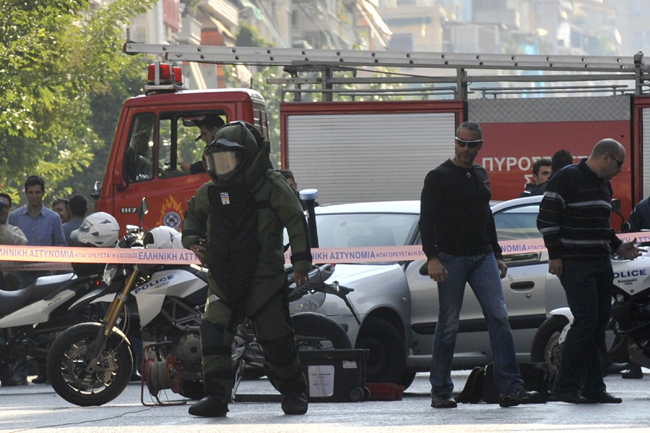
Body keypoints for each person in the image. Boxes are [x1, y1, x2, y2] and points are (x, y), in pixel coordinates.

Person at [182, 121, 312, 417]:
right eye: (216, 160)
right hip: (223, 279)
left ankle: (294, 391)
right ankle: (216, 397)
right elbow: (192, 215)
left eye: (229, 160)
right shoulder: (210, 191)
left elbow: (296, 220)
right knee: (213, 334)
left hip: (263, 280)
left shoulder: (272, 186)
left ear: (248, 157)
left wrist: (301, 260)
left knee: (276, 340)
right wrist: (191, 239)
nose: (222, 168)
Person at [420, 121, 541, 409]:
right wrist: (432, 257)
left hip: (482, 256)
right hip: (450, 258)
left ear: (480, 146)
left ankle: (511, 389)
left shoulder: (479, 174)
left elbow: (485, 216)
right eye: (461, 143)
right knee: (448, 325)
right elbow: (426, 220)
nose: (465, 148)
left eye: (471, 144)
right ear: (455, 143)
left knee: (499, 318)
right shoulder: (438, 176)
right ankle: (440, 391)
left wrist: (497, 253)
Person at [537, 138, 644, 404]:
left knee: (598, 324)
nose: (620, 171)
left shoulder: (603, 185)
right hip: (575, 263)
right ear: (605, 157)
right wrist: (555, 255)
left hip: (600, 262)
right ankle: (565, 386)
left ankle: (594, 387)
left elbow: (600, 226)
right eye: (619, 164)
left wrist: (619, 247)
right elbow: (546, 218)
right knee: (585, 322)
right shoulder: (568, 177)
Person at [8, 175, 66, 384]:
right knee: (20, 324)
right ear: (26, 193)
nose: (34, 196)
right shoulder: (15, 217)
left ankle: (46, 371)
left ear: (43, 193)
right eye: (30, 192)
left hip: (45, 278)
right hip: (21, 278)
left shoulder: (53, 218)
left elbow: (60, 245)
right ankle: (19, 372)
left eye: (37, 192)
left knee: (45, 324)